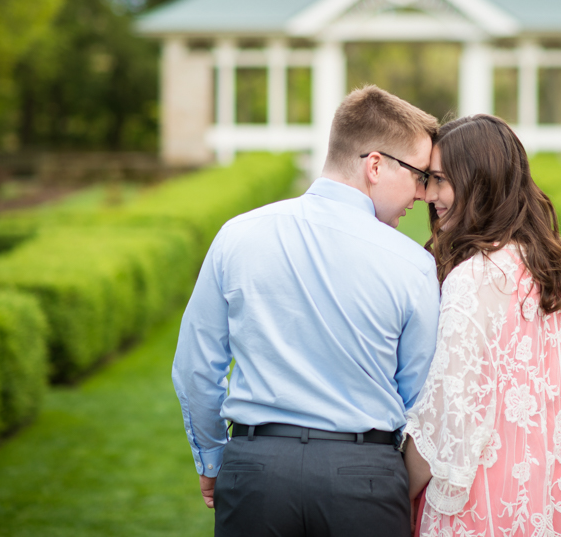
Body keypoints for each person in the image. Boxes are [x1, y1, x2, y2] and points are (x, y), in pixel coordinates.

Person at [171, 84, 441, 537]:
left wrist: (215, 459)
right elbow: (421, 395)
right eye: (418, 174)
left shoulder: (237, 235)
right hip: (365, 478)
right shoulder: (412, 263)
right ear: (375, 165)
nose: (422, 193)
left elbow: (195, 368)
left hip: (254, 472)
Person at [403, 114, 561, 537]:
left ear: (479, 180)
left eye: (439, 179)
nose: (427, 195)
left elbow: (446, 422)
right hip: (546, 497)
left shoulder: (473, 279)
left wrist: (393, 495)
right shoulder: (545, 271)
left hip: (483, 507)